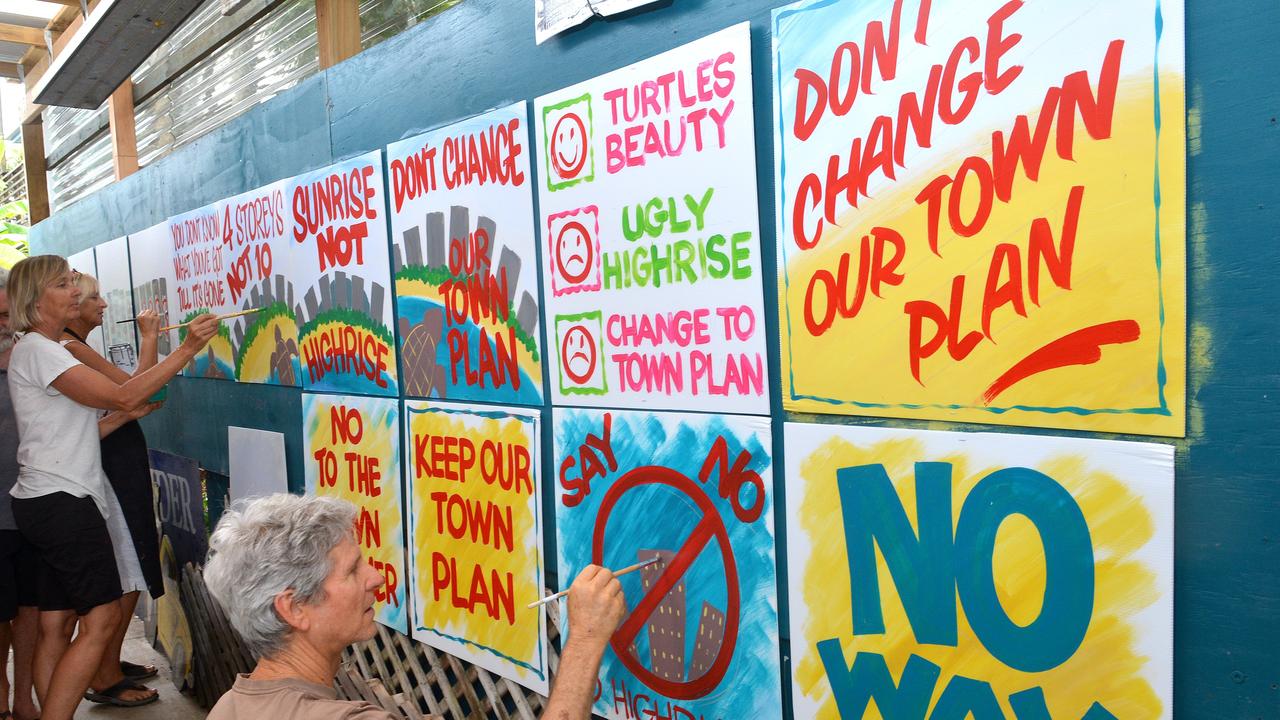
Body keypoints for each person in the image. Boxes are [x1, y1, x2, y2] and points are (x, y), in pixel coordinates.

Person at [5, 254, 219, 720]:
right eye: (64, 285)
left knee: (57, 621)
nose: (77, 293)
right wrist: (187, 349)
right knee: (100, 619)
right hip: (60, 501)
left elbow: (87, 423)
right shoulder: (42, 350)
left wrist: (124, 415)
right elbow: (126, 391)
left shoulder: (40, 348)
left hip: (47, 497)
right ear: (37, 299)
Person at [204, 494, 626, 720]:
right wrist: (586, 639)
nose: (376, 577)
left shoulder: (230, 707)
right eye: (352, 571)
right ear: (294, 609)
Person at [60, 272, 166, 707]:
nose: (103, 305)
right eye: (94, 297)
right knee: (127, 565)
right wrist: (150, 338)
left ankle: (109, 661)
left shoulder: (72, 347)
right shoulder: (69, 348)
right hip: (104, 468)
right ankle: (104, 673)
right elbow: (133, 391)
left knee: (132, 564)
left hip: (110, 461)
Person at [0, 267, 40, 720]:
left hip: (33, 507)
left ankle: (24, 696)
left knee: (32, 609)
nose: (6, 325)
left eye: (11, 315)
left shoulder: (37, 358)